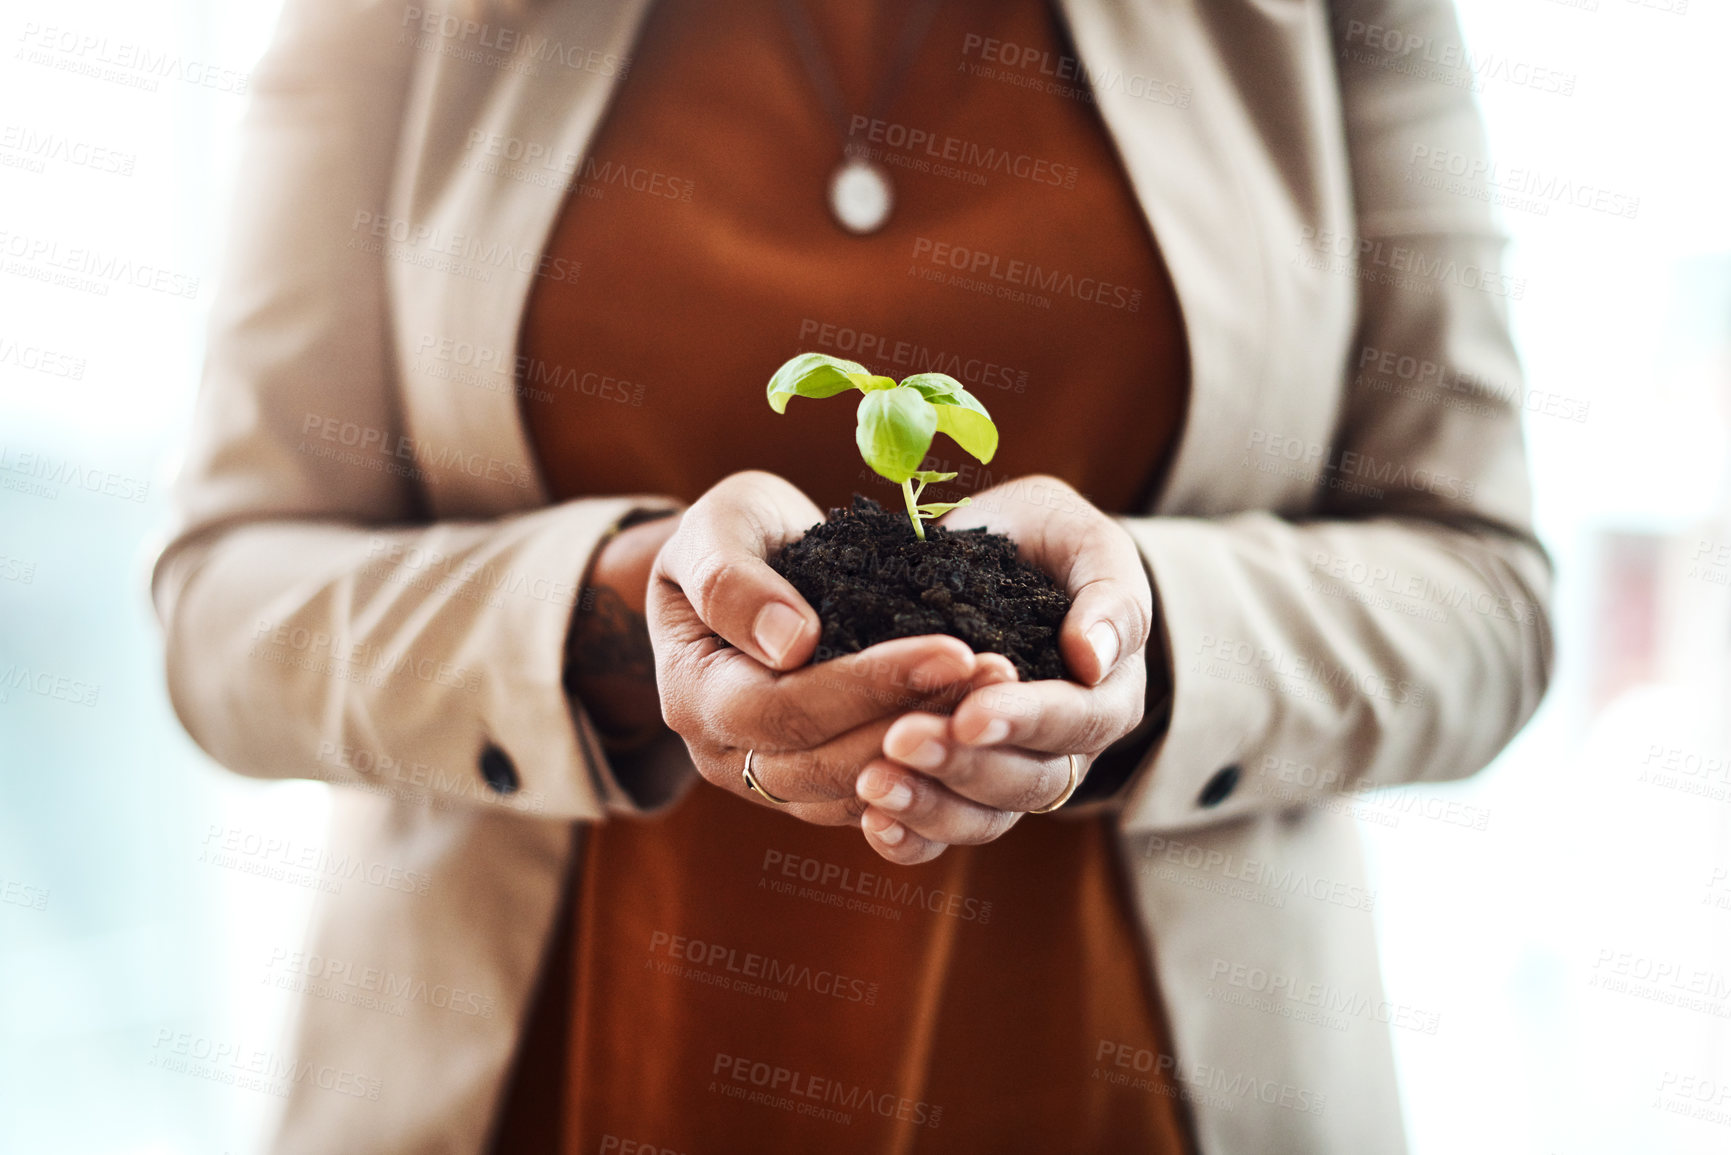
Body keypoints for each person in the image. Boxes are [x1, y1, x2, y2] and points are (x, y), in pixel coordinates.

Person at [151, 0, 1553, 1151]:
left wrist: (1133, 642)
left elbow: (1485, 594)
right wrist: (616, 610)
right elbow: (227, 608)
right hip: (560, 1077)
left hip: (1128, 1085)